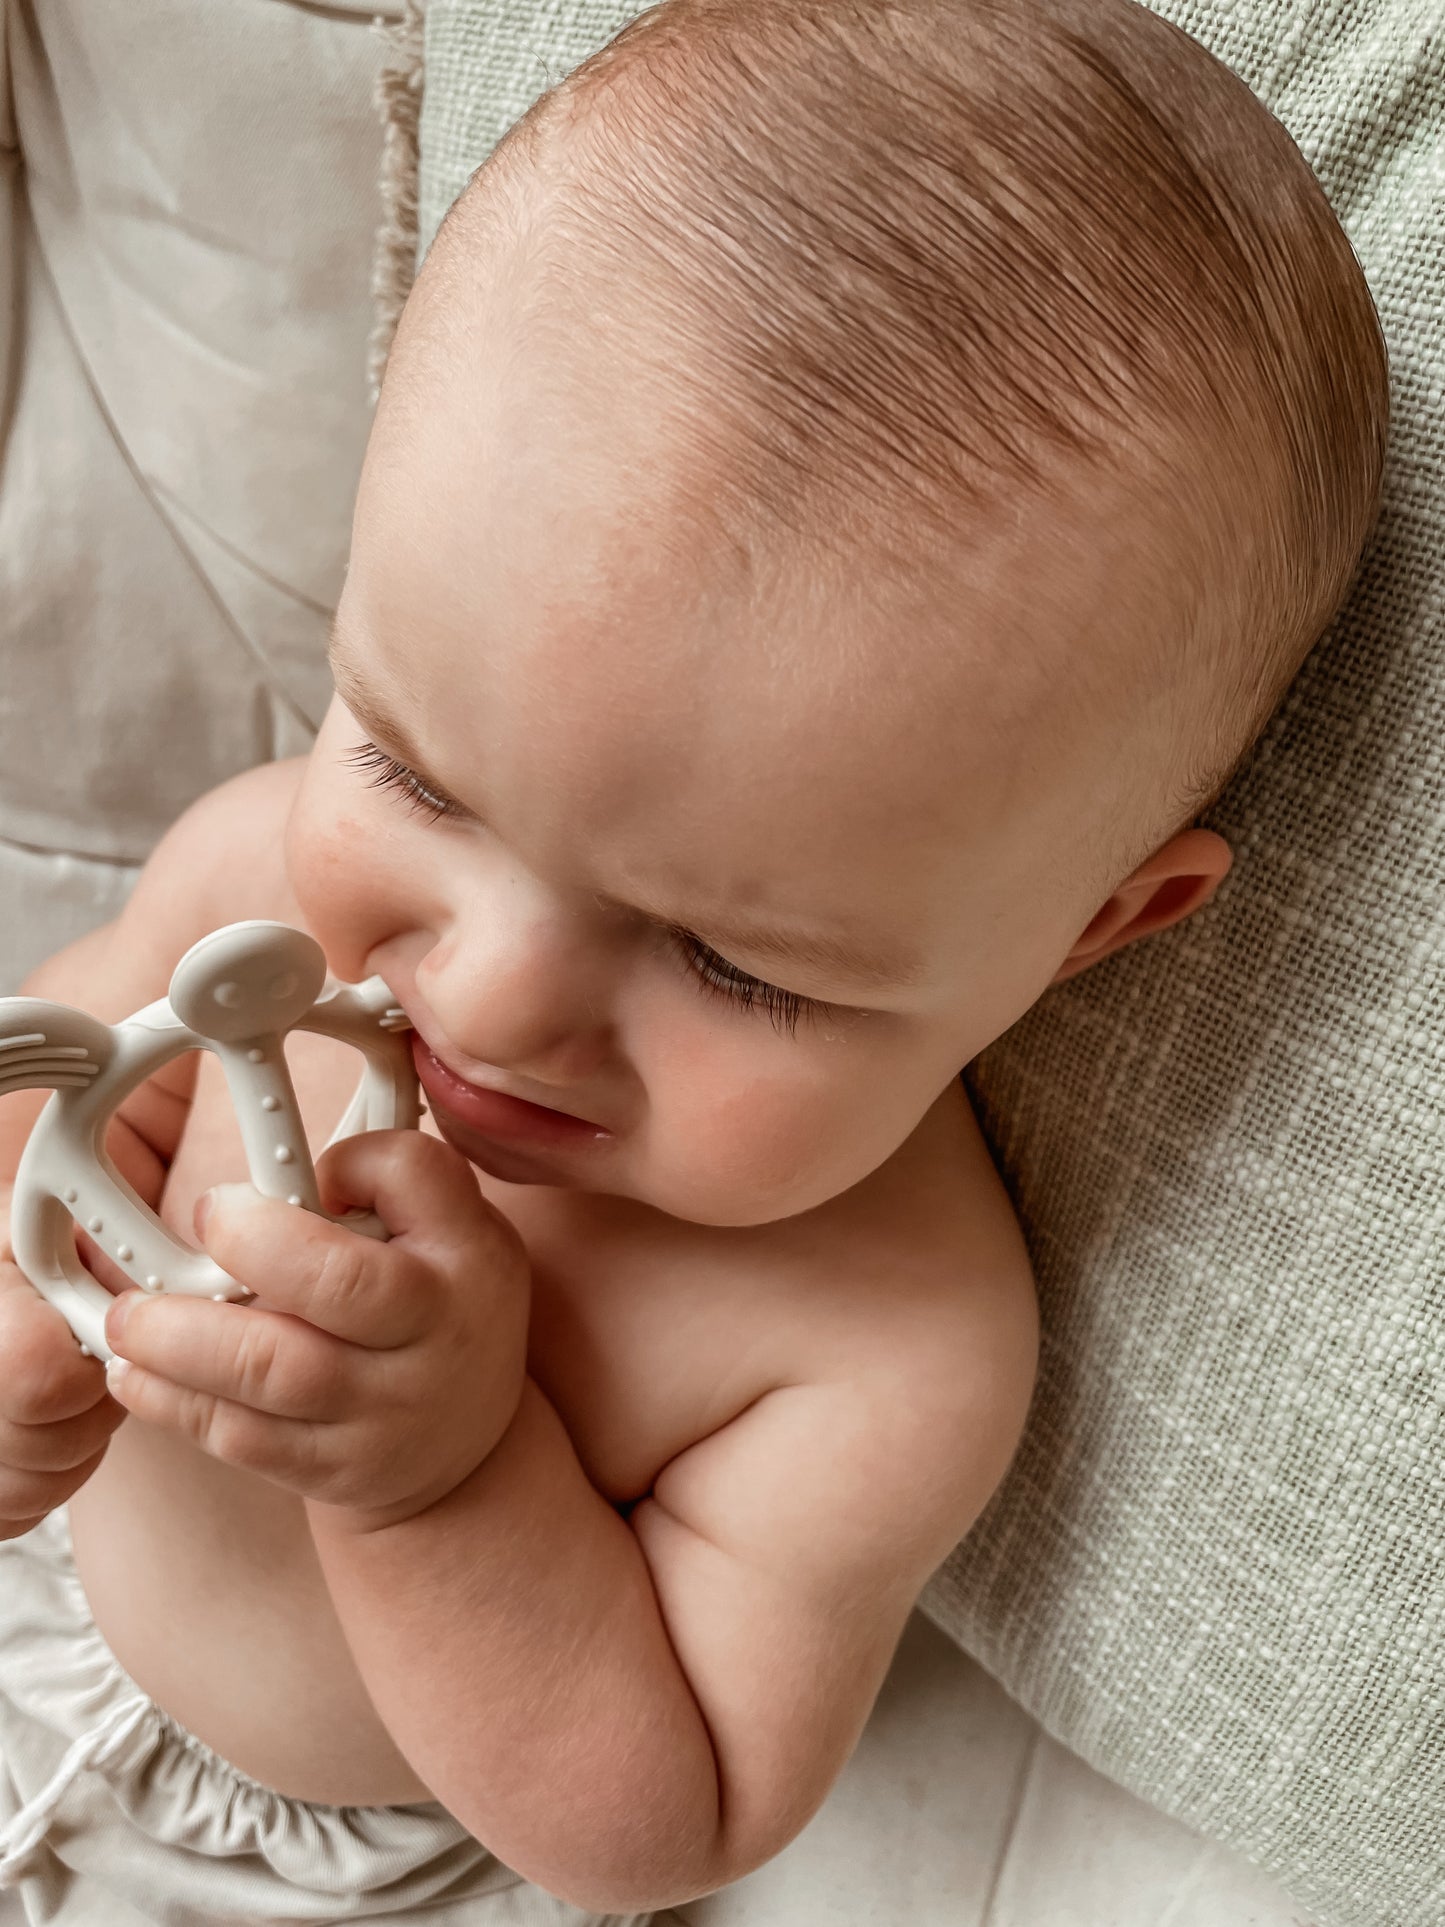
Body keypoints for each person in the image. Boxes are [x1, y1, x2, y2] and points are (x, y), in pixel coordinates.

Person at [0, 0, 1387, 1921]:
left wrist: (448, 1486)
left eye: (736, 964)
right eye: (412, 769)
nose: (484, 996)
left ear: (1091, 931)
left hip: (340, 1874)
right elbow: (62, 1102)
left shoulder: (873, 1342)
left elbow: (662, 1827)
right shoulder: (257, 881)